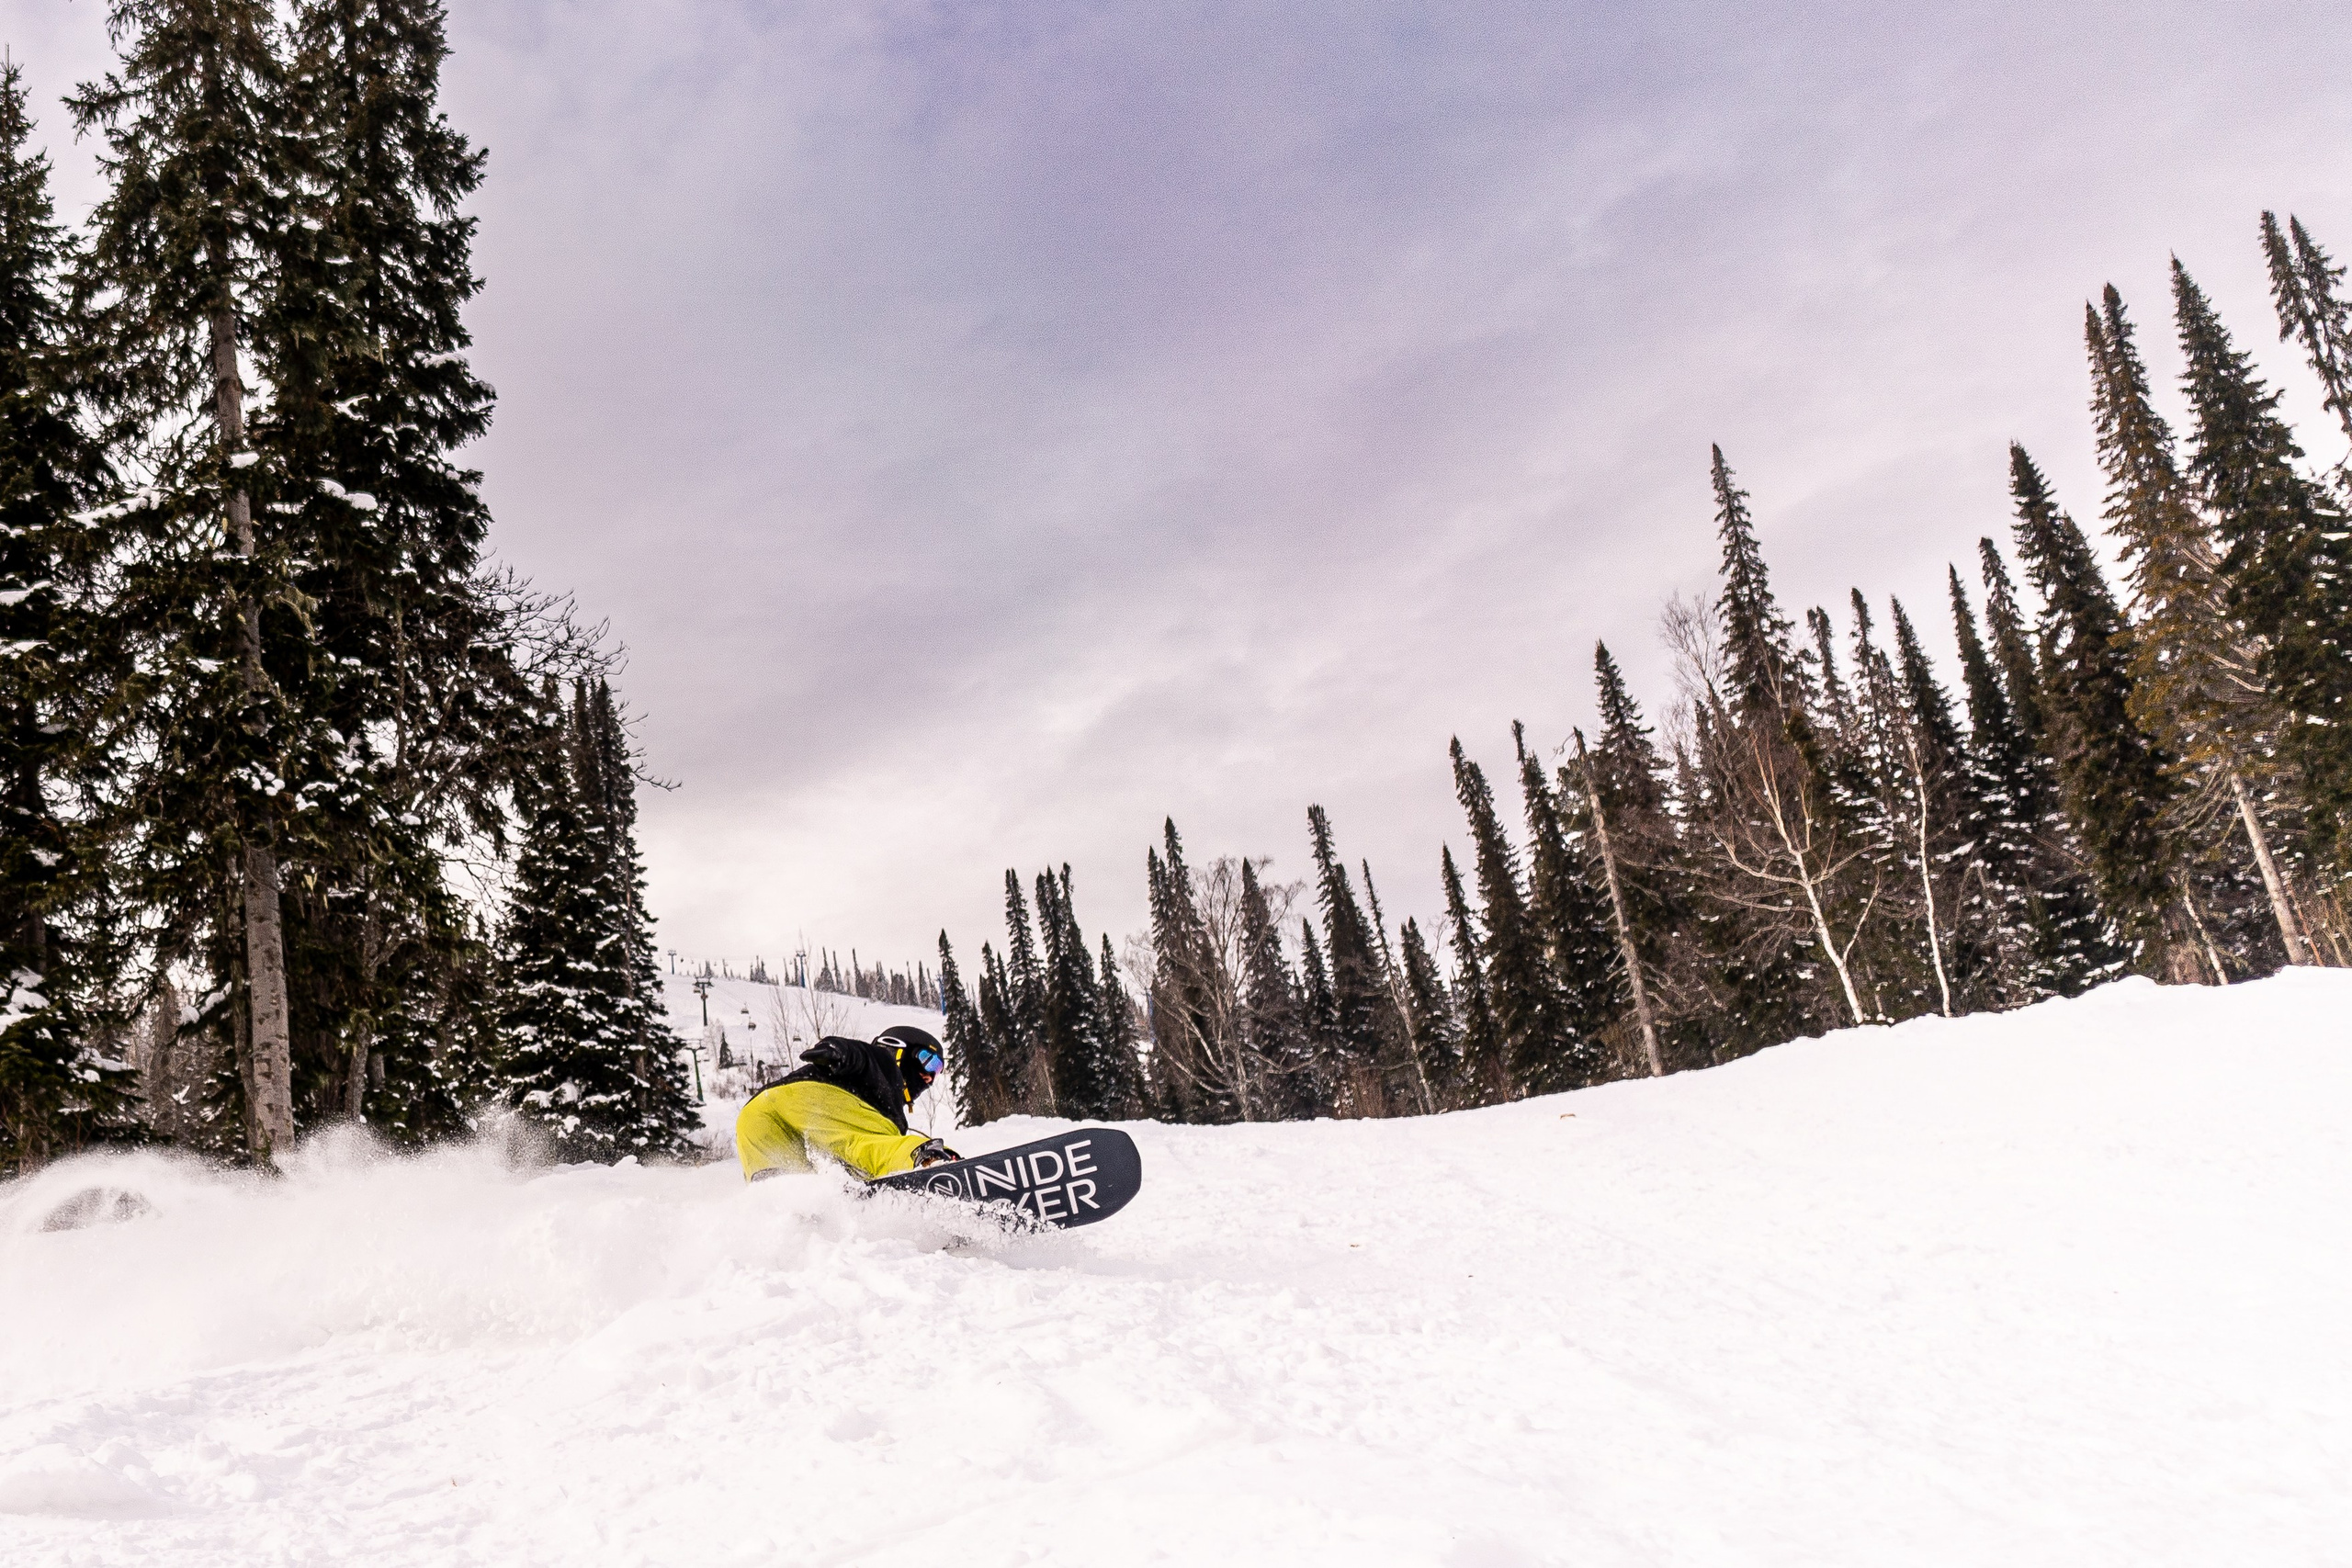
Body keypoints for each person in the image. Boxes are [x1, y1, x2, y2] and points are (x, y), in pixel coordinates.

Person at [734, 1023, 962, 1181]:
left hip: (754, 1116)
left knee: (787, 1186)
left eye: (938, 1069)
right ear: (897, 1048)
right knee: (863, 1146)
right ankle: (931, 1159)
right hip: (810, 1097)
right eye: (927, 1061)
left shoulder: (872, 1075)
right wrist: (835, 1050)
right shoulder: (882, 1063)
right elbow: (857, 1053)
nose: (930, 1076)